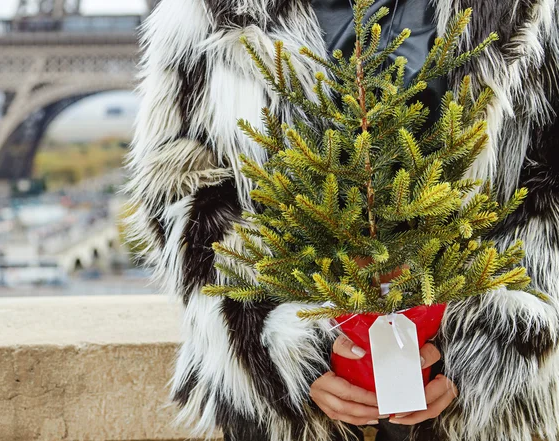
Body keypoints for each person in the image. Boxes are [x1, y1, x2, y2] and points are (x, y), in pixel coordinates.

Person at [125, 0, 559, 440]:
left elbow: (547, 191)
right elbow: (182, 197)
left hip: (472, 400)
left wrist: (493, 347)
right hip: (305, 407)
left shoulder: (532, 12)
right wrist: (283, 349)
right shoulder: (202, 13)